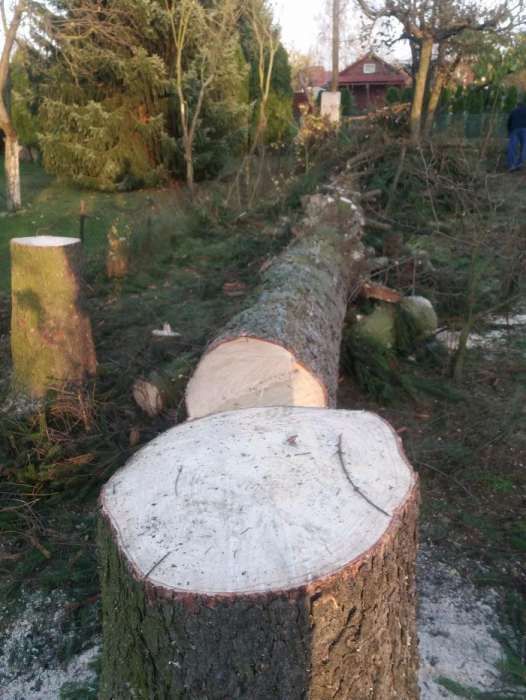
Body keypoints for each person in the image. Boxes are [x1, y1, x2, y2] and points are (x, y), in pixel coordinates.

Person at [507, 100, 526, 171]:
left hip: (514, 129)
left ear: (517, 105)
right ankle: (520, 163)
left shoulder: (513, 111)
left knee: (512, 147)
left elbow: (509, 122)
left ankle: (511, 165)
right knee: (524, 147)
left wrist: (509, 132)